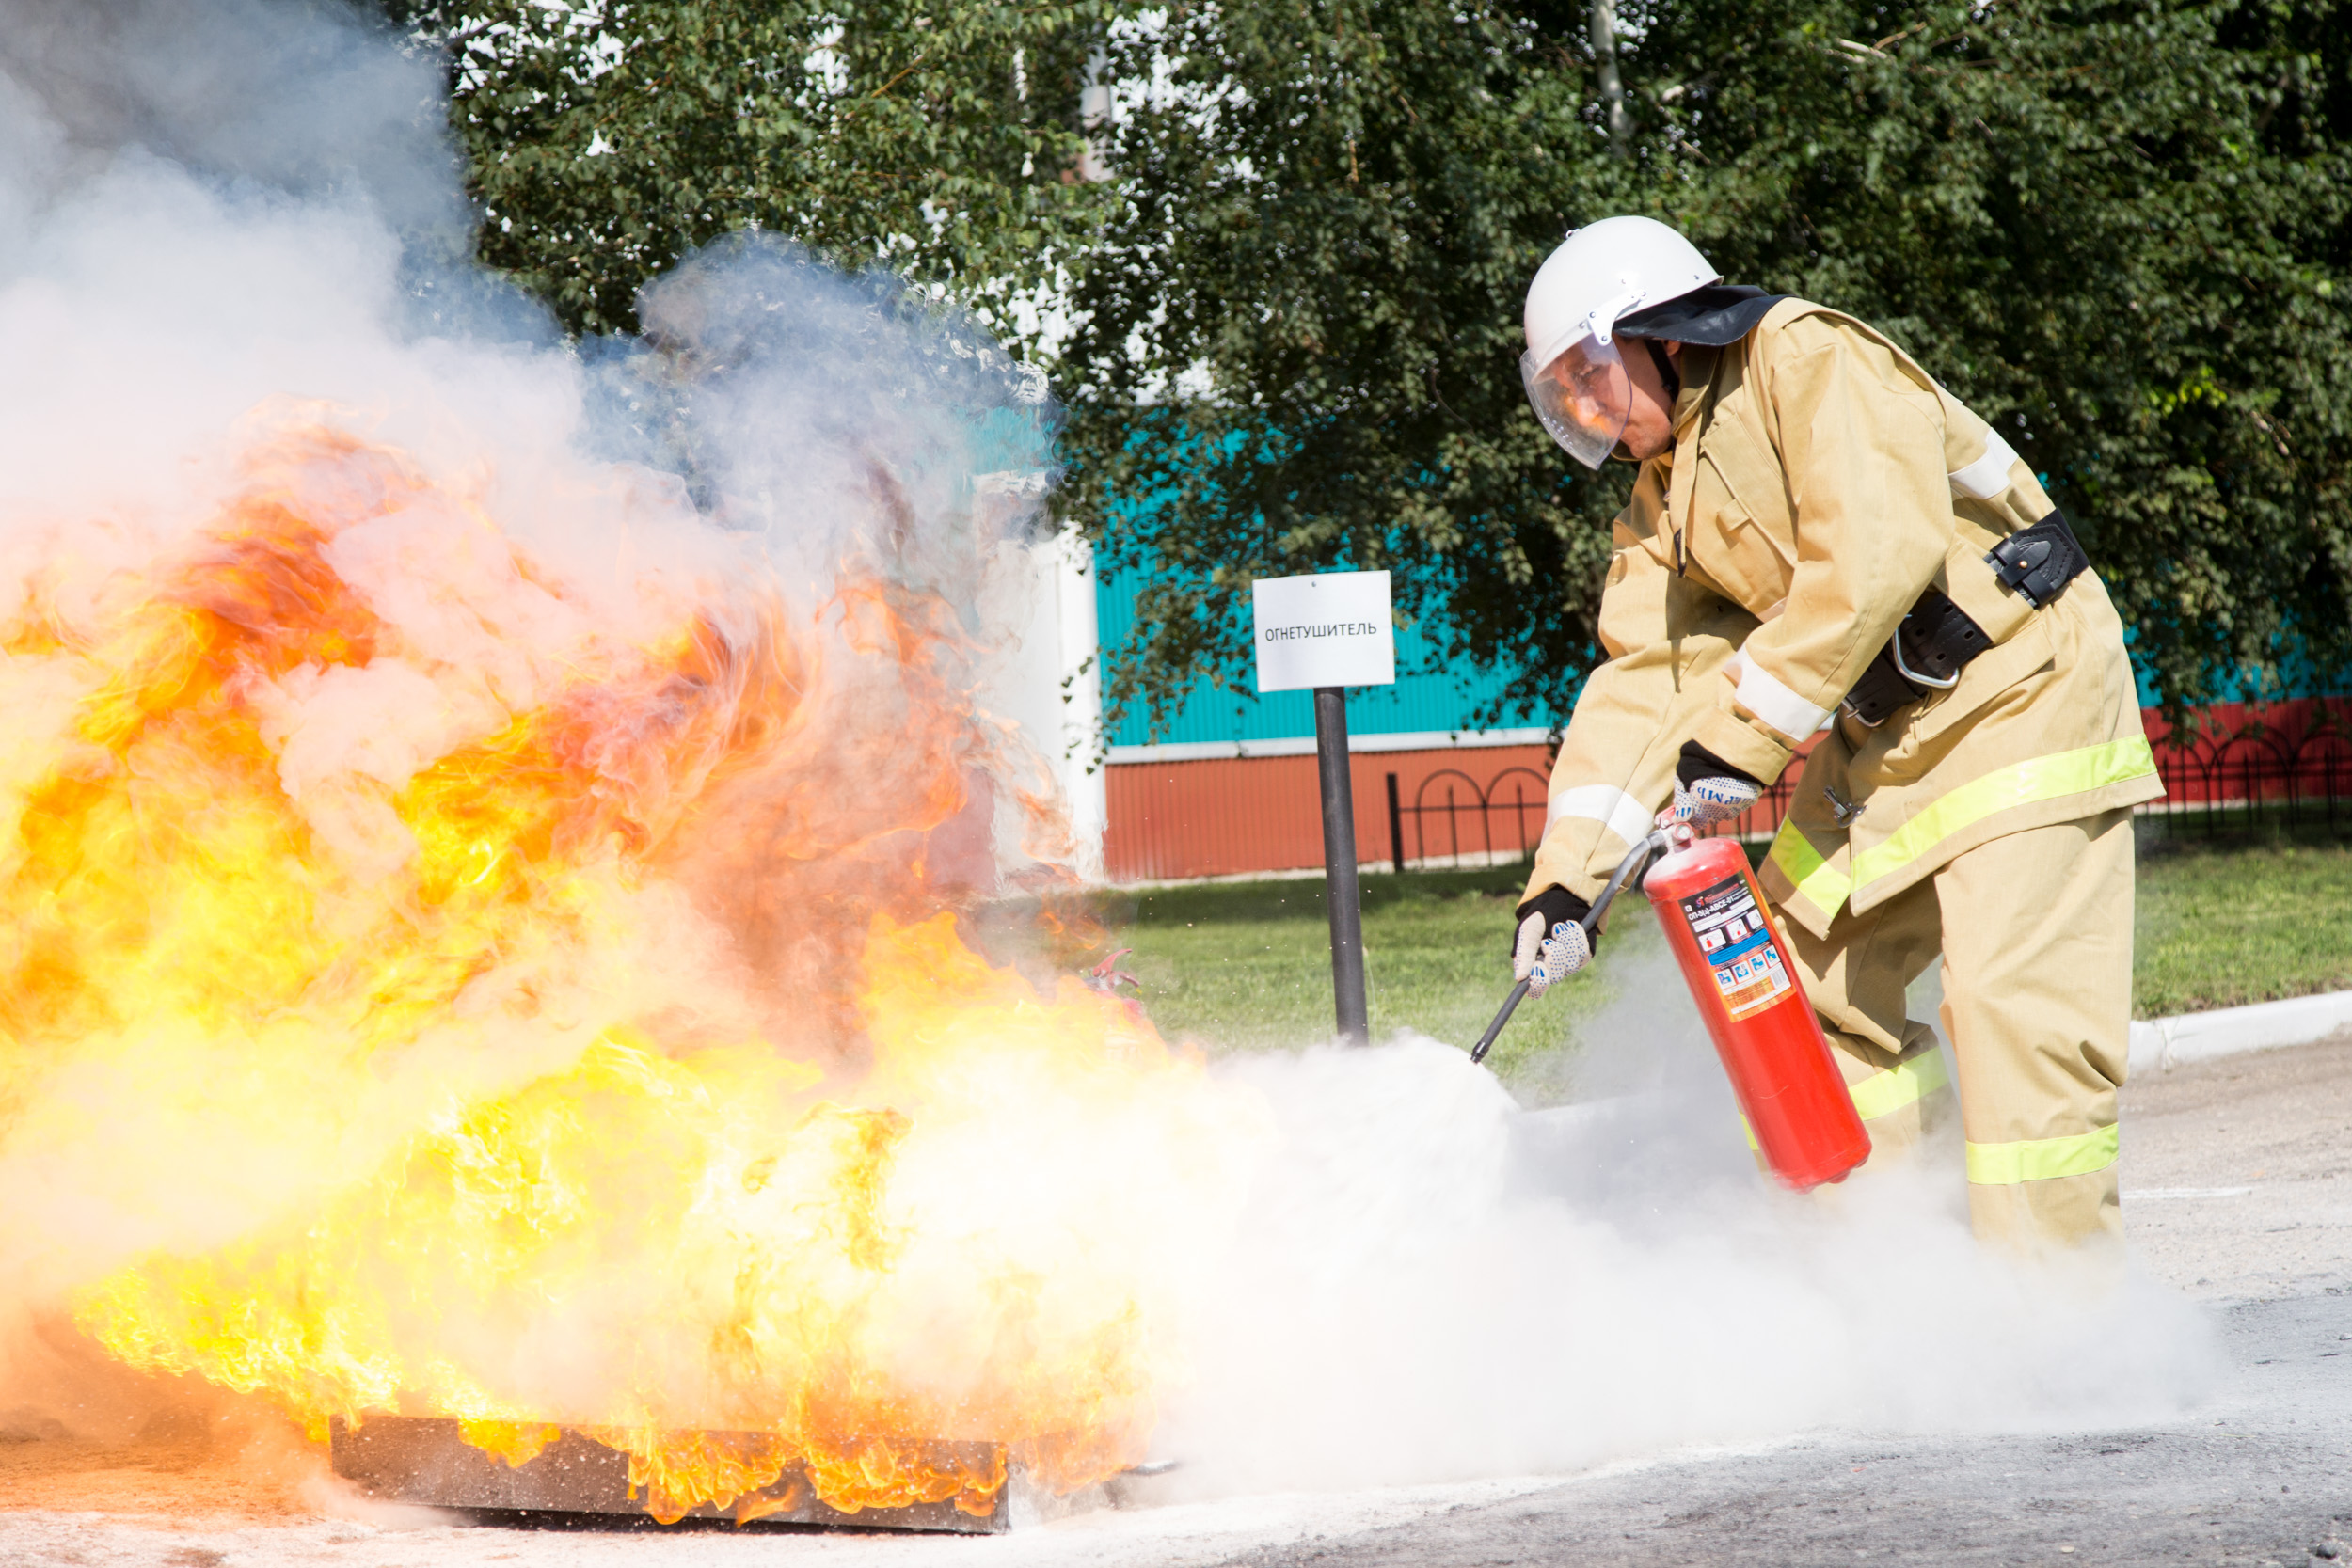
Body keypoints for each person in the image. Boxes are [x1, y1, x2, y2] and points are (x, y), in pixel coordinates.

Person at [1509, 216, 2163, 1253]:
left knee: (2011, 1016)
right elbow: (1650, 678)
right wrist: (1566, 885)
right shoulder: (1663, 495)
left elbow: (1874, 550)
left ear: (1662, 335)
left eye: (1591, 375)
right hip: (1882, 739)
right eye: (1564, 394)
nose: (1584, 409)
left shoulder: (1803, 355)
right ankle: (1894, 1281)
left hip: (2017, 697)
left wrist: (1739, 743)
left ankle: (2057, 1327)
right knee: (1781, 988)